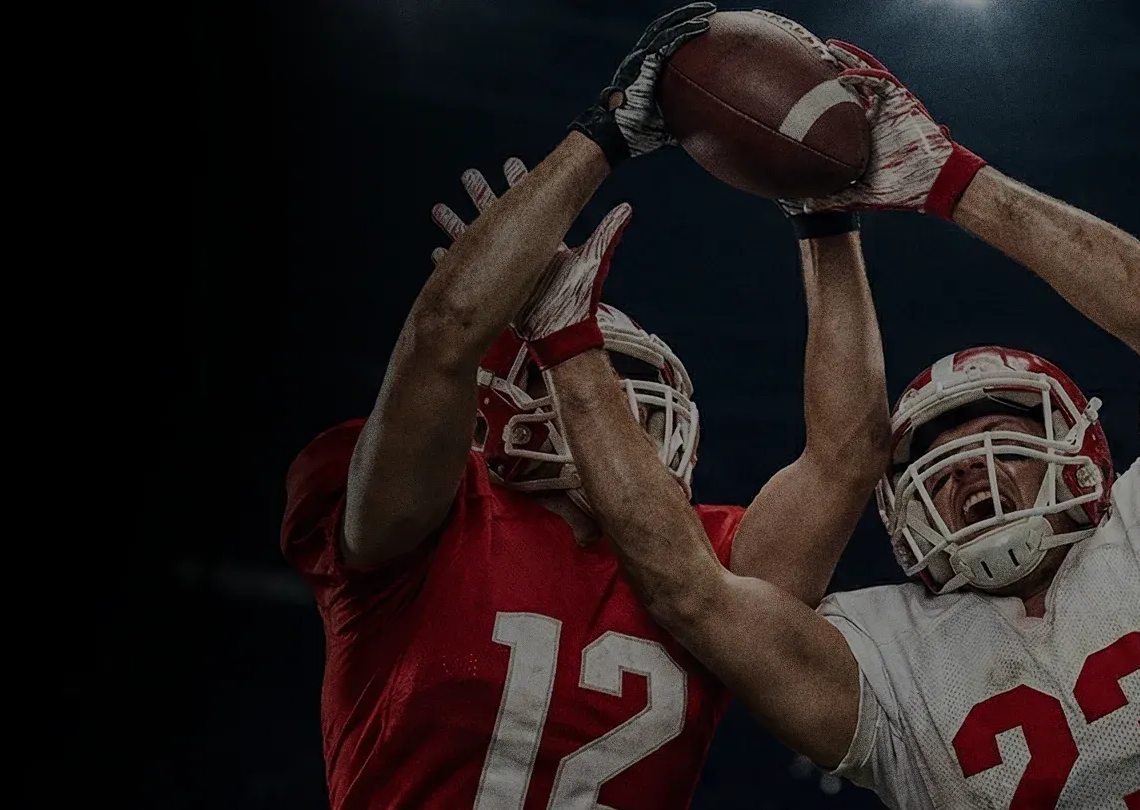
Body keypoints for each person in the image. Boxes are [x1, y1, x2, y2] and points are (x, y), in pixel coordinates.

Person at [542, 28, 1140, 810]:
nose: (967, 468)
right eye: (934, 459)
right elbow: (693, 595)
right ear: (901, 508)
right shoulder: (887, 652)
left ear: (1082, 452)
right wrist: (570, 349)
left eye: (1001, 437)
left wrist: (951, 181)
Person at [278, 5, 892, 807]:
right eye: (582, 377)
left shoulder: (702, 559)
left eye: (639, 393)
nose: (621, 411)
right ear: (493, 408)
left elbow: (846, 456)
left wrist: (827, 215)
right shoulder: (435, 522)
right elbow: (442, 337)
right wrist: (607, 133)